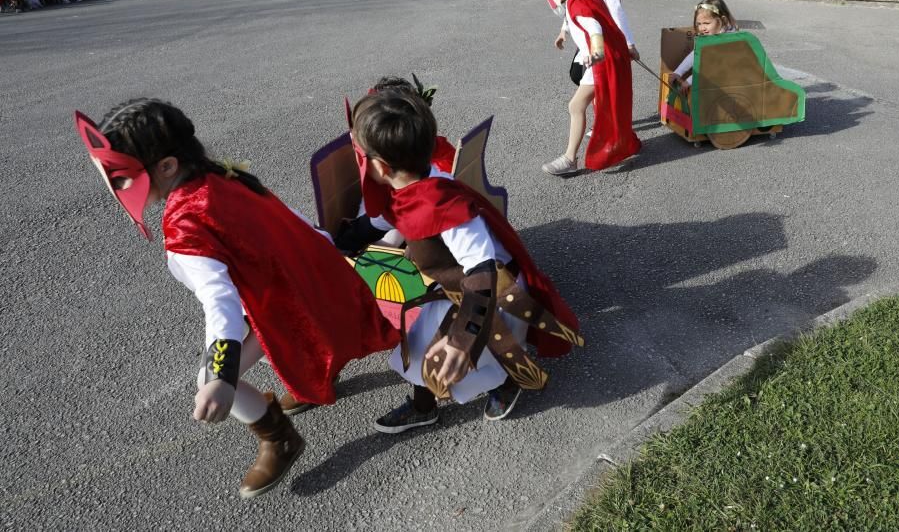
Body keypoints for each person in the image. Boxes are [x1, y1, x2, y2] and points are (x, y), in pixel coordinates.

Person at [73, 99, 398, 498]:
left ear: (167, 166)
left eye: (121, 176)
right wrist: (325, 246)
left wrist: (221, 378)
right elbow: (285, 215)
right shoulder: (219, 177)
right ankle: (316, 374)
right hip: (308, 276)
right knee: (298, 335)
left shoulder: (185, 224)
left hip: (281, 300)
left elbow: (219, 301)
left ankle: (278, 437)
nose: (115, 188)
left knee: (206, 378)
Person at [335, 89, 583, 430]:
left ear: (378, 166)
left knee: (491, 358)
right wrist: (337, 241)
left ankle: (508, 384)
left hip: (492, 296)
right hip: (449, 288)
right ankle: (424, 407)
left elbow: (482, 270)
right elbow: (380, 219)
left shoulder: (445, 207)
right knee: (420, 351)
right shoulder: (409, 187)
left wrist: (463, 339)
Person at [532, 0, 640, 176]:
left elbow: (594, 27)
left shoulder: (577, 1)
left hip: (602, 60)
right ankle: (621, 142)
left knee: (576, 106)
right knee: (605, 105)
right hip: (605, 57)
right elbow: (578, 19)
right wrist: (565, 32)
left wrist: (597, 51)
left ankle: (570, 158)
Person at [667, 0, 739, 89]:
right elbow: (696, 53)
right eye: (699, 24)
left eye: (707, 23)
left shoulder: (728, 40)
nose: (702, 28)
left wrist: (689, 81)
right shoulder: (713, 33)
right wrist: (678, 72)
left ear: (723, 20)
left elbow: (713, 68)